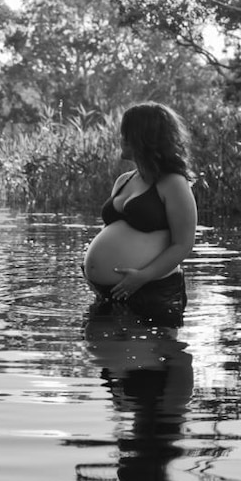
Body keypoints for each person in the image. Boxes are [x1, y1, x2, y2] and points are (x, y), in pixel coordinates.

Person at [82, 102, 197, 326]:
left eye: (127, 134)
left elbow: (183, 244)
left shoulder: (173, 182)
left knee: (156, 357)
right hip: (110, 292)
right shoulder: (124, 180)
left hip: (153, 291)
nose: (121, 139)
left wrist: (143, 276)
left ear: (143, 137)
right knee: (116, 359)